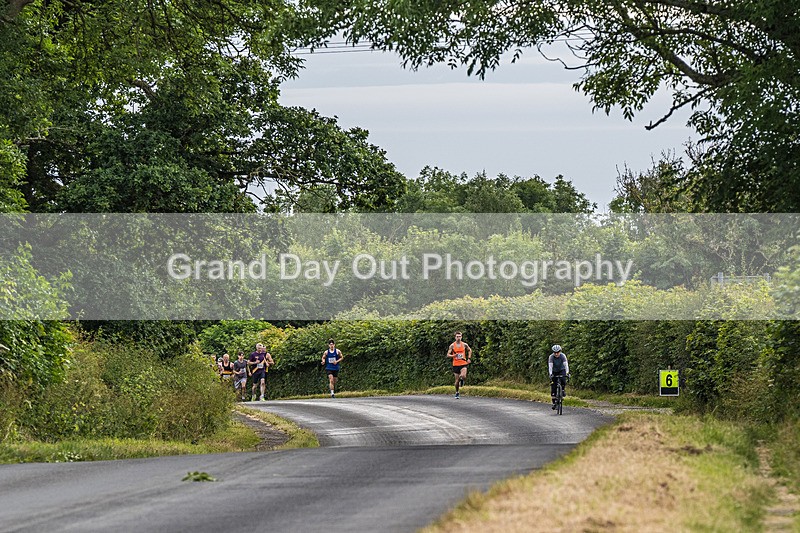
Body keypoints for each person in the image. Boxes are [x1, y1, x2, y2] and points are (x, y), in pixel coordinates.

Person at [446, 331, 472, 399]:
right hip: (455, 364)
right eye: (457, 336)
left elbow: (469, 350)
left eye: (460, 336)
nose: (459, 338)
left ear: (461, 337)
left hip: (463, 363)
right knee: (457, 381)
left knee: (463, 376)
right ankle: (457, 392)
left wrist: (469, 358)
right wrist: (454, 355)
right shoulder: (452, 345)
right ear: (455, 337)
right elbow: (448, 355)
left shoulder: (464, 344)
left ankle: (462, 380)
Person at [548, 344, 570, 410]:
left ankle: (562, 390)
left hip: (561, 370)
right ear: (553, 352)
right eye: (555, 352)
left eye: (558, 352)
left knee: (563, 379)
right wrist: (551, 374)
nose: (556, 354)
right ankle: (554, 402)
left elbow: (566, 365)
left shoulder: (563, 356)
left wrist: (567, 373)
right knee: (553, 385)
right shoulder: (551, 357)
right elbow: (550, 366)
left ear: (560, 352)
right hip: (554, 371)